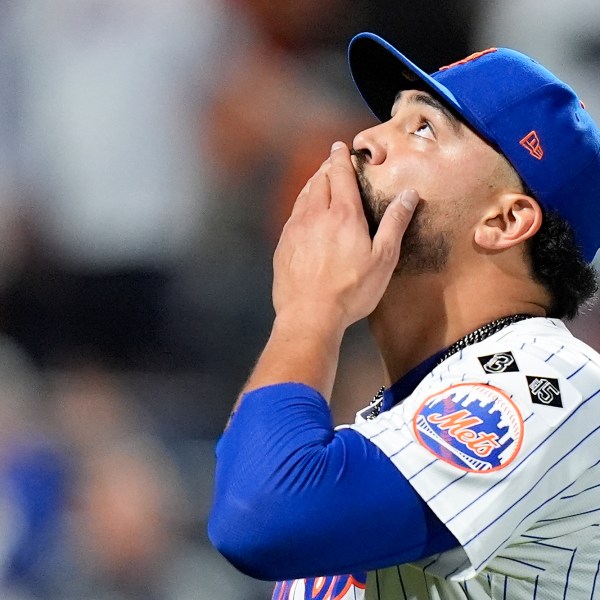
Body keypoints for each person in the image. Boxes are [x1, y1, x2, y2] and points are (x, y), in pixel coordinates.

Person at [208, 32, 600, 600]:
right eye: (387, 119)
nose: (365, 139)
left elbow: (257, 518)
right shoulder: (368, 436)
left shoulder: (552, 381)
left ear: (506, 221)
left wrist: (309, 311)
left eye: (423, 128)